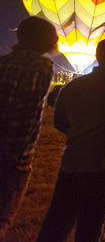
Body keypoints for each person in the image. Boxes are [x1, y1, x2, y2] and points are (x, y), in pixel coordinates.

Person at [37, 39, 105, 242]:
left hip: (71, 164)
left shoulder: (71, 86)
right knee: (97, 228)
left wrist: (82, 134)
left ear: (97, 56)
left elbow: (60, 122)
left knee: (57, 223)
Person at [0, 17, 57, 238]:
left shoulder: (4, 62)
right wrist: (15, 159)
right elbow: (26, 116)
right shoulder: (40, 66)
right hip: (14, 157)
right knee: (3, 215)